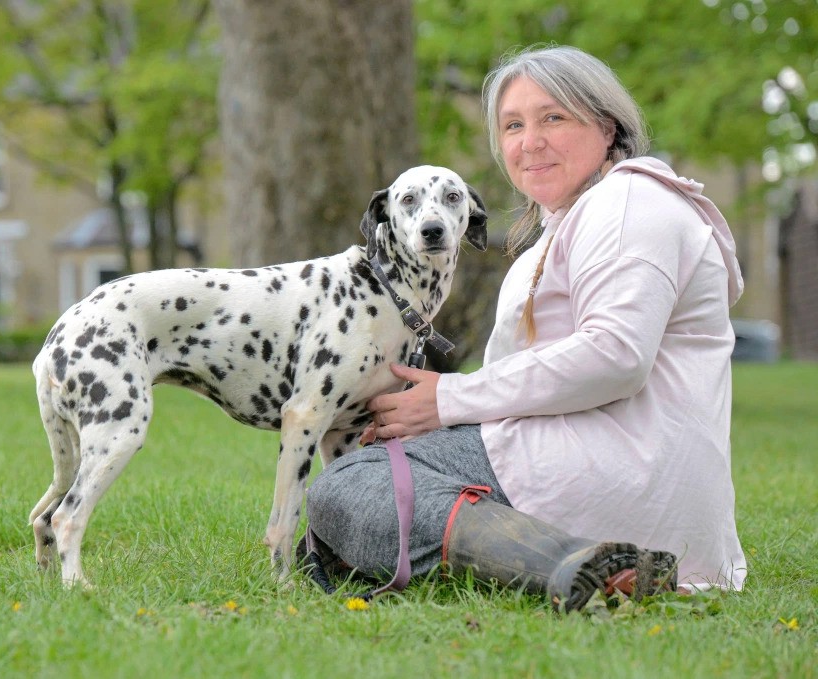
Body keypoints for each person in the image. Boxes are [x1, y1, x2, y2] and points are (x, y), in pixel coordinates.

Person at [302, 44, 746, 611]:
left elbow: (615, 356)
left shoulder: (632, 204)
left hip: (613, 465)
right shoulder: (583, 216)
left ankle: (566, 561)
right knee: (366, 478)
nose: (529, 142)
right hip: (576, 453)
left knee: (347, 487)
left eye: (552, 118)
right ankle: (577, 561)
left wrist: (451, 400)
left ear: (607, 127)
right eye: (513, 125)